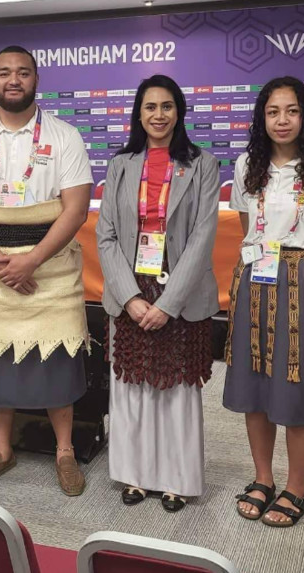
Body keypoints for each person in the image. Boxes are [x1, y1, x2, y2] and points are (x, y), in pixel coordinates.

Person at [0, 45, 93, 496]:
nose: (14, 80)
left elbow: (76, 209)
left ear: (36, 80)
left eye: (23, 73)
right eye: (5, 73)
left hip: (50, 269)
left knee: (59, 361)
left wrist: (31, 260)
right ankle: (2, 449)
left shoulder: (65, 136)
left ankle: (65, 452)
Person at [224, 76, 304, 526]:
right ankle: (263, 478)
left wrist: (303, 269)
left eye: (292, 111)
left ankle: (297, 487)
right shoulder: (246, 165)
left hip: (302, 278)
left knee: (296, 387)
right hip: (253, 278)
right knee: (255, 386)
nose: (282, 120)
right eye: (273, 111)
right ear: (262, 117)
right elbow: (246, 225)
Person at [96, 74, 219, 513]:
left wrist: (168, 304)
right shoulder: (121, 164)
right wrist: (129, 297)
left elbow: (203, 237)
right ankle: (135, 475)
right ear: (139, 113)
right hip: (131, 286)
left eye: (167, 106)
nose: (159, 115)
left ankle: (176, 480)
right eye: (150, 107)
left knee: (176, 389)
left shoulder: (203, 164)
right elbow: (106, 235)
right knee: (132, 386)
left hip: (179, 291)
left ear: (179, 112)